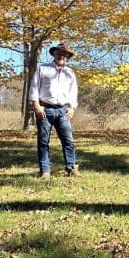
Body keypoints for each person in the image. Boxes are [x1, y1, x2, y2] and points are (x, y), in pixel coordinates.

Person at [29, 43, 80, 178]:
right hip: (45, 110)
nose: (62, 56)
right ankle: (45, 171)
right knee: (43, 141)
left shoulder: (70, 72)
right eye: (59, 53)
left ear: (67, 57)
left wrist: (72, 107)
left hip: (63, 111)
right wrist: (36, 106)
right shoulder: (43, 69)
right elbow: (34, 87)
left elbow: (73, 91)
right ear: (54, 54)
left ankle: (72, 168)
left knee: (68, 140)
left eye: (65, 54)